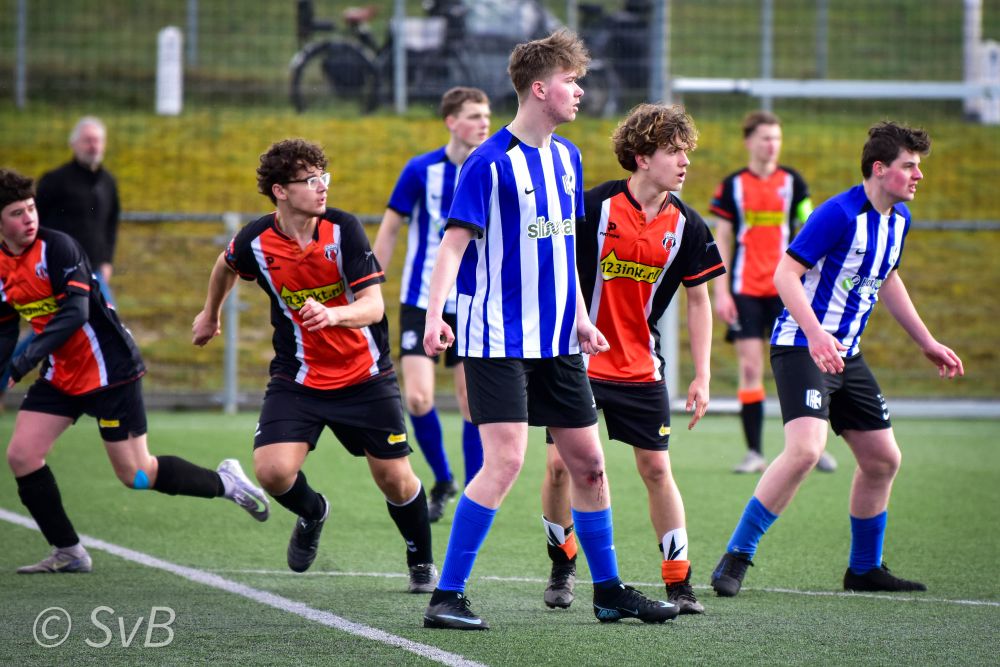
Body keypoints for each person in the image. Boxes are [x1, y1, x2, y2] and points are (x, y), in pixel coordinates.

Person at [420, 30, 677, 631]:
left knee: (589, 465)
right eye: (570, 80)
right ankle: (446, 595)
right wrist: (435, 317)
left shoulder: (568, 158)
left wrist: (582, 317)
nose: (580, 91)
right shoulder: (488, 162)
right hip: (497, 339)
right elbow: (452, 246)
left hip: (559, 340)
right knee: (506, 462)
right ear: (539, 88)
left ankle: (608, 591)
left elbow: (564, 252)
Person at [710, 121, 964, 597]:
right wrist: (815, 335)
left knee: (883, 459)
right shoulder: (839, 213)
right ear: (879, 169)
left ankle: (864, 570)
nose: (918, 176)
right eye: (910, 166)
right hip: (802, 346)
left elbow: (888, 279)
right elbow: (785, 275)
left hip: (846, 354)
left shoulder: (899, 219)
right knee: (806, 450)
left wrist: (926, 342)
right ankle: (737, 556)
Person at [192, 139, 437, 593]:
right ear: (280, 191)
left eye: (324, 176)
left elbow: (374, 307)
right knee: (272, 471)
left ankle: (421, 562)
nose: (322, 186)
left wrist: (334, 314)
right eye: (309, 180)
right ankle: (312, 512)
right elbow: (225, 266)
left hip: (364, 376)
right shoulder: (255, 240)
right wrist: (210, 314)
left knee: (395, 480)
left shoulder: (343, 229)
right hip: (298, 377)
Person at [0, 168, 269, 574]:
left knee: (137, 475)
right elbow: (5, 327)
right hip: (61, 376)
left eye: (31, 208)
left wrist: (19, 365)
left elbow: (75, 313)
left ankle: (226, 483)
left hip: (111, 372)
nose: (29, 218)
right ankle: (69, 551)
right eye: (17, 213)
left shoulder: (58, 248)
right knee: (22, 455)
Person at [539, 103, 725, 616]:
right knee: (559, 468)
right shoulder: (591, 208)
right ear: (642, 157)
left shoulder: (687, 225)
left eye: (686, 152)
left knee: (657, 469)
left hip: (642, 367)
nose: (685, 162)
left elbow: (698, 301)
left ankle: (678, 581)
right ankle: (562, 562)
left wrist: (703, 375)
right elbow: (554, 269)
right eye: (673, 152)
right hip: (576, 362)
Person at [373, 87, 490, 523]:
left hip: (472, 301)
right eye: (474, 115)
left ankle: (475, 496)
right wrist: (369, 286)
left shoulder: (493, 167)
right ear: (451, 122)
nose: (484, 123)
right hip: (420, 299)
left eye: (487, 115)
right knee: (419, 398)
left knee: (471, 403)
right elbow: (390, 228)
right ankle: (443, 479)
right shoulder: (421, 169)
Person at [709, 111, 836, 474]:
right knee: (751, 368)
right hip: (745, 290)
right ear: (749, 141)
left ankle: (812, 446)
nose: (772, 145)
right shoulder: (732, 185)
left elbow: (810, 225)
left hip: (788, 291)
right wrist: (721, 292)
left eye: (776, 138)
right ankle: (754, 452)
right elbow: (723, 239)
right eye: (765, 138)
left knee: (806, 365)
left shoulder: (793, 182)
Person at [36, 116, 120, 305]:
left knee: (107, 316)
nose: (93, 146)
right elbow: (37, 221)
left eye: (97, 140)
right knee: (64, 318)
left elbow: (111, 224)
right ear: (73, 144)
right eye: (87, 140)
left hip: (94, 269)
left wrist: (107, 260)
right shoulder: (54, 180)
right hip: (61, 269)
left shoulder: (108, 182)